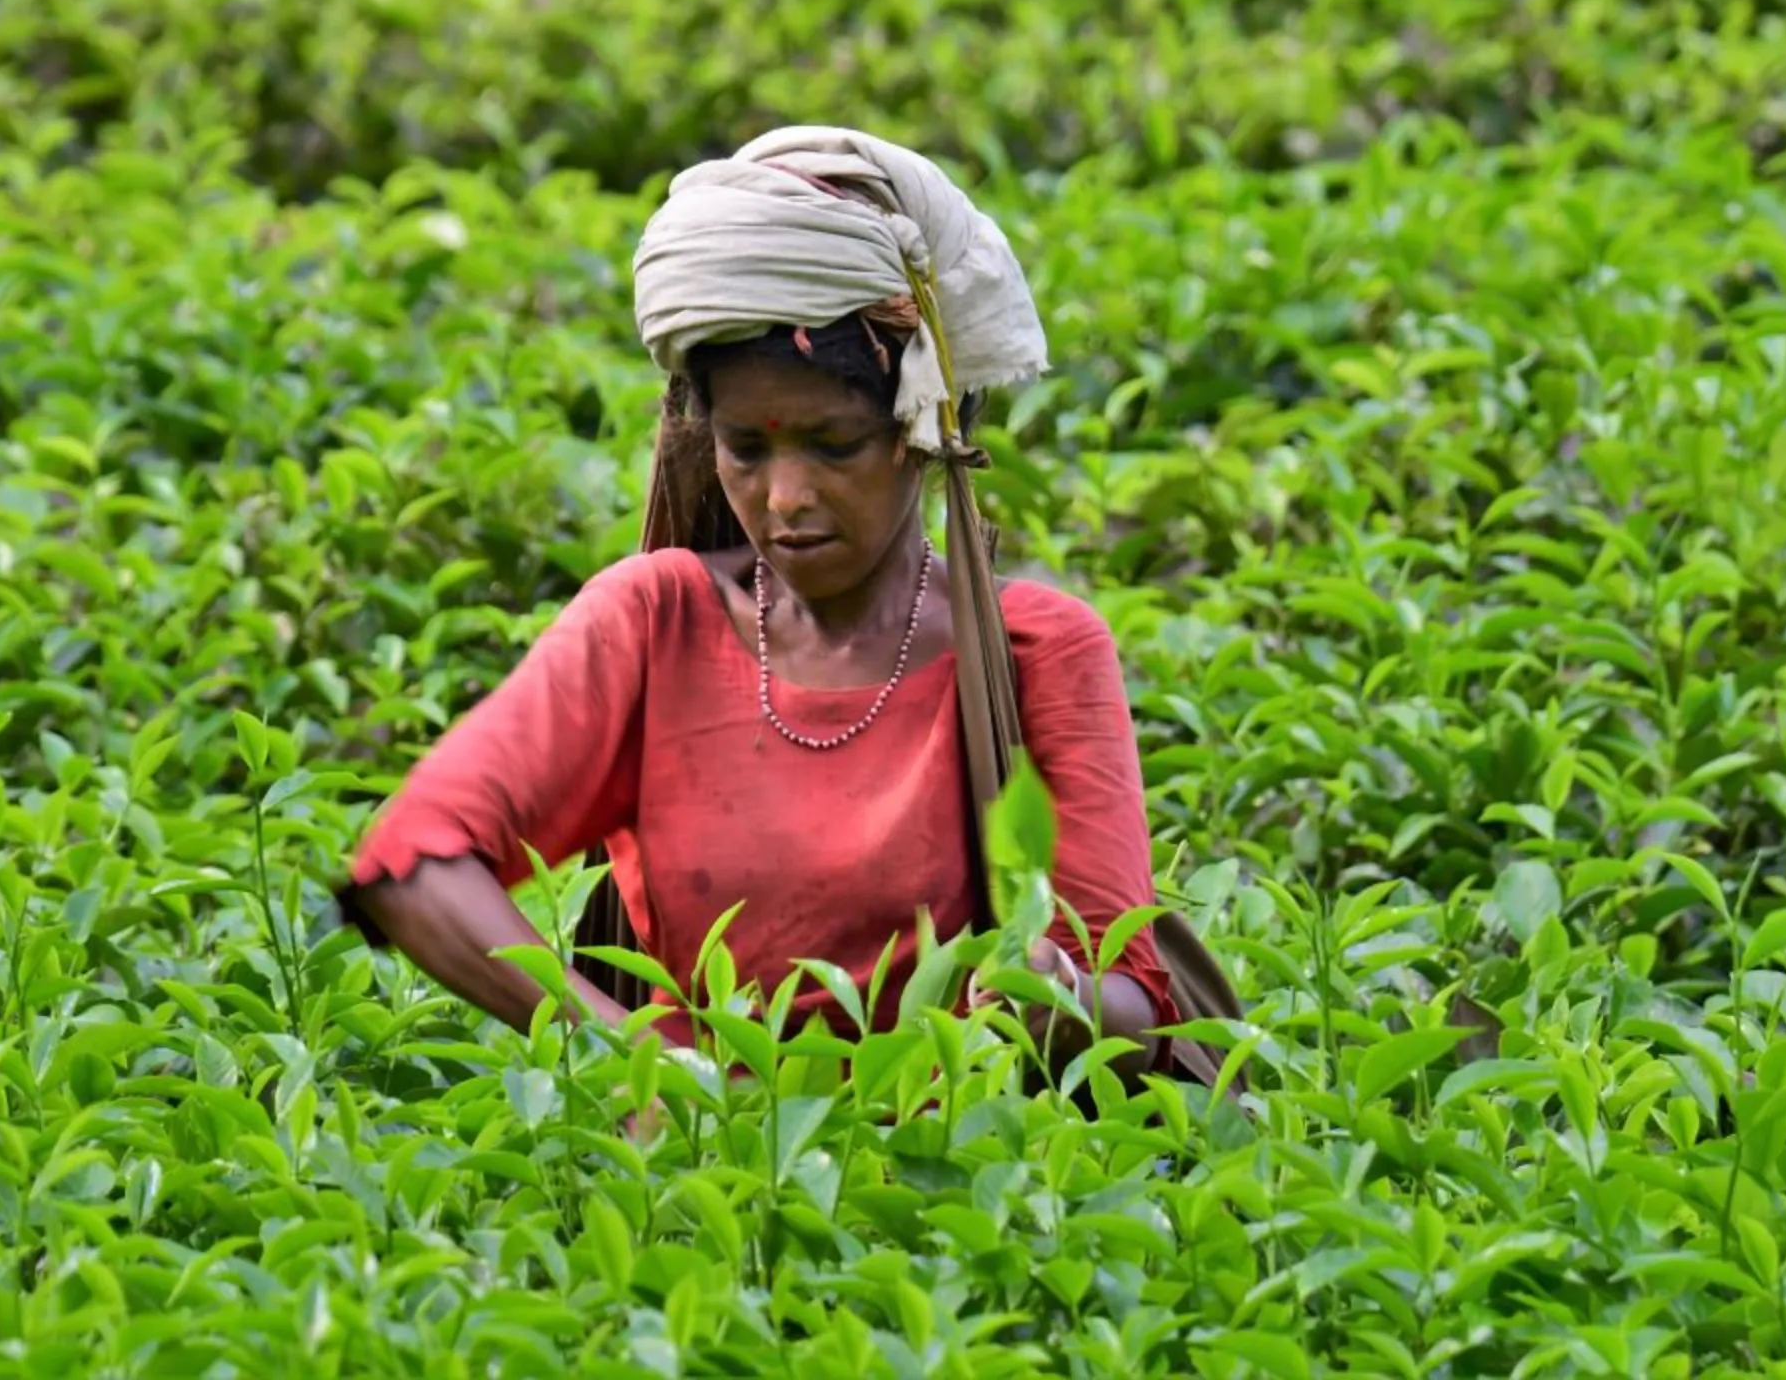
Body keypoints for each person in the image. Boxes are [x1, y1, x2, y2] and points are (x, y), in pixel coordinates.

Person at [336, 126, 1179, 1077]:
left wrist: (1046, 989)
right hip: (697, 1183)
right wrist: (636, 1056)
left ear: (922, 427)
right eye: (746, 449)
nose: (784, 497)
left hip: (958, 1188)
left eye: (833, 445)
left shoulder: (1035, 651)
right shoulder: (656, 623)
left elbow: (1136, 1003)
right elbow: (414, 866)